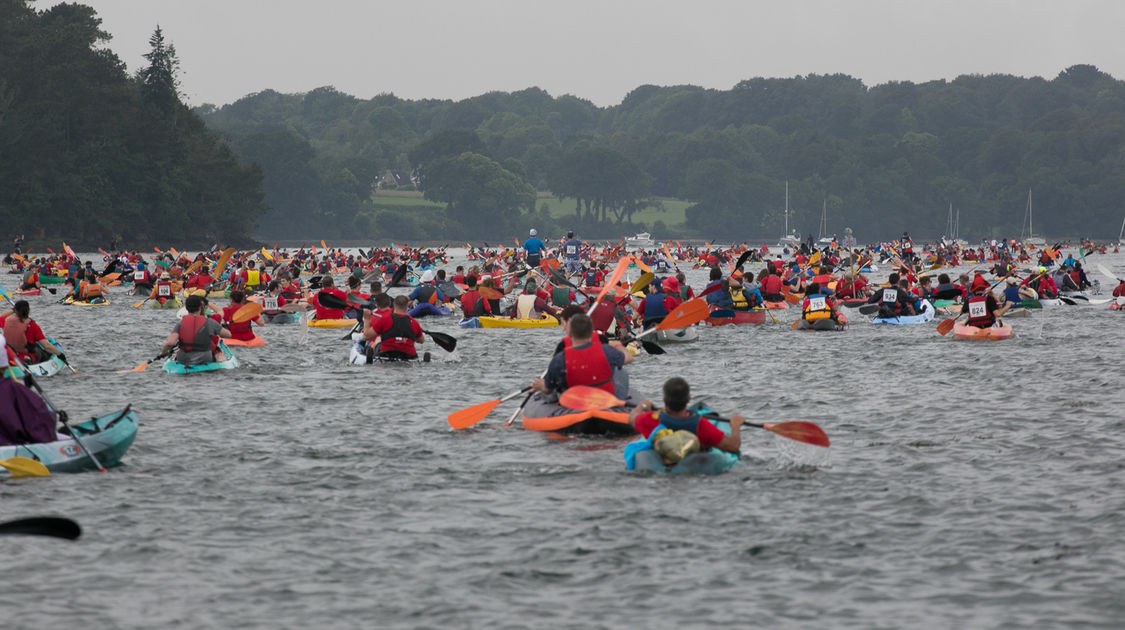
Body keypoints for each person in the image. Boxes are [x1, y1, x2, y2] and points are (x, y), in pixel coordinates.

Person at [625, 377, 744, 469]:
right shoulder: (701, 425)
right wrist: (735, 425)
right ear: (688, 399)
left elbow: (632, 418)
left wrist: (643, 405)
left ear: (664, 400)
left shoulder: (651, 419)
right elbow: (733, 447)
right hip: (694, 468)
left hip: (662, 466)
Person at [530, 313, 629, 398]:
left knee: (546, 394)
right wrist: (618, 345)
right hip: (602, 399)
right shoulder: (607, 350)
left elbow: (548, 389)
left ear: (570, 332)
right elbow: (628, 358)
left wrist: (539, 386)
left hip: (573, 402)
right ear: (592, 332)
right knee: (621, 372)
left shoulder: (560, 358)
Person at [161, 295, 231, 364]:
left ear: (186, 308)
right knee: (218, 353)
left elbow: (170, 343)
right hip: (205, 358)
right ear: (200, 308)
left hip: (183, 358)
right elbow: (228, 335)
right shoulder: (210, 322)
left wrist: (162, 353)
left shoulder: (180, 323)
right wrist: (217, 329)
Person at [0, 300, 66, 364]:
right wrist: (60, 354)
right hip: (26, 355)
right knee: (41, 352)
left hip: (9, 354)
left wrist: (13, 310)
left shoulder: (7, 321)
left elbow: (1, 316)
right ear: (28, 311)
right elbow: (46, 346)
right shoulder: (33, 325)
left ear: (16, 311)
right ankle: (27, 360)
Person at [363, 295, 424, 361]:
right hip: (409, 356)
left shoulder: (384, 319)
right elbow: (421, 340)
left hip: (386, 354)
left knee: (378, 339)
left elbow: (366, 336)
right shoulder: (414, 323)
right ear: (407, 307)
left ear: (393, 304)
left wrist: (366, 319)